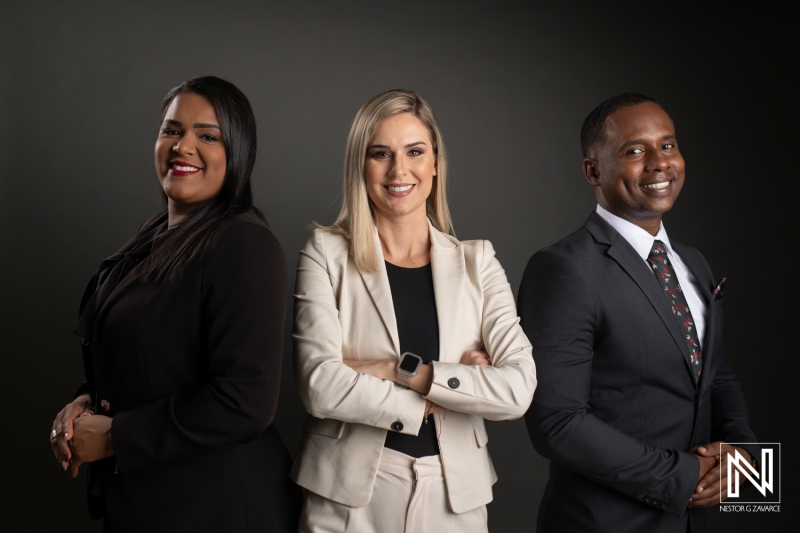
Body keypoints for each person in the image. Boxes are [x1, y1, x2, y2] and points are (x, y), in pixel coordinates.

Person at [49, 76, 302, 532]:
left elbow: (245, 401)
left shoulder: (244, 244)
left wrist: (115, 438)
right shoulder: (156, 235)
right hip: (153, 504)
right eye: (172, 130)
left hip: (219, 510)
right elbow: (149, 357)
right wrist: (83, 407)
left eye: (208, 135)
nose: (183, 146)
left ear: (238, 153)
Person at [291, 89, 537, 532]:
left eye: (415, 152)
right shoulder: (325, 254)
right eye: (380, 153)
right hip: (347, 499)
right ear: (360, 165)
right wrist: (454, 391)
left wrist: (406, 373)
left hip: (453, 496)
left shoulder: (477, 261)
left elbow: (518, 389)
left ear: (435, 163)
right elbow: (319, 385)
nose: (398, 170)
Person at [519, 93, 759, 533]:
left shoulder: (693, 262)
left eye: (667, 145)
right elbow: (557, 421)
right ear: (593, 170)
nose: (659, 162)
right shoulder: (563, 269)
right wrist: (683, 478)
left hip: (693, 521)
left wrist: (742, 453)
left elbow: (716, 376)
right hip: (605, 522)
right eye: (634, 151)